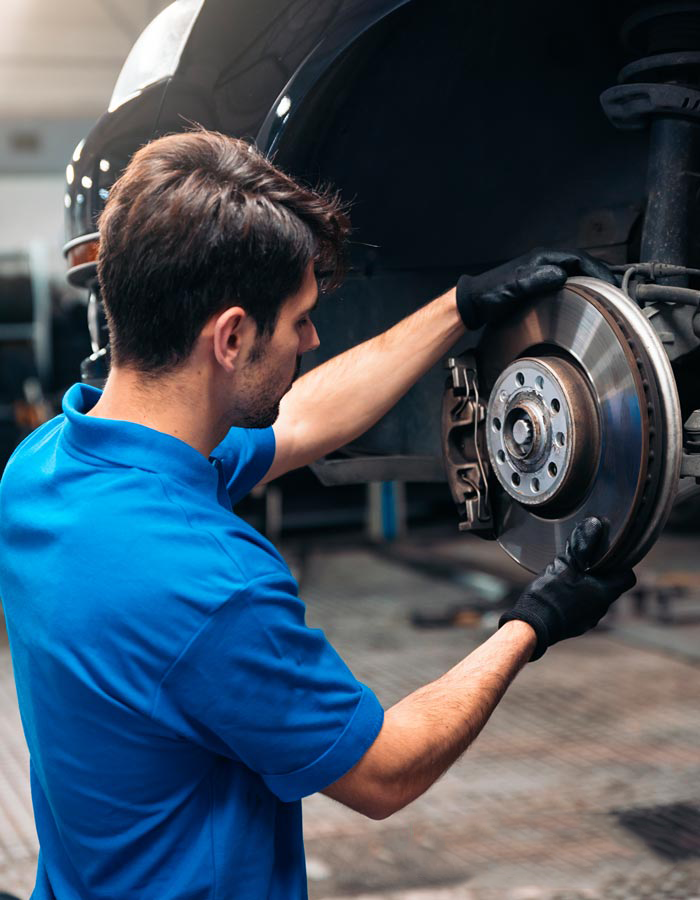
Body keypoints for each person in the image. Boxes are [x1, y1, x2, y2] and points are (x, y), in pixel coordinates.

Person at [0, 130, 635, 900]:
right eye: (300, 318)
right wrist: (534, 621)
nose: (313, 336)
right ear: (230, 337)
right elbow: (387, 770)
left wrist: (457, 307)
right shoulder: (214, 586)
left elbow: (295, 422)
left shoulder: (43, 468)